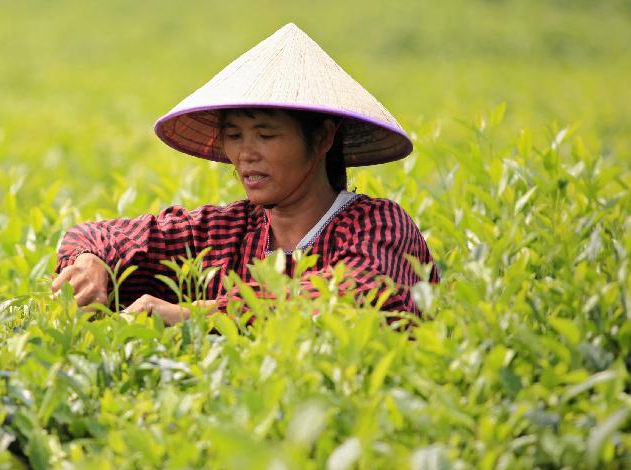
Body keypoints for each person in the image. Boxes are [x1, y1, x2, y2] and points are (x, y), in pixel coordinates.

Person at [51, 23, 439, 326]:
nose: (245, 154)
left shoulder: (379, 225)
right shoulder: (229, 230)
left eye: (266, 135)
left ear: (321, 139)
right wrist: (91, 263)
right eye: (234, 136)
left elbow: (351, 302)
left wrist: (195, 317)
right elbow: (97, 235)